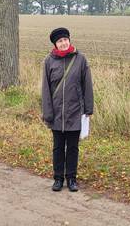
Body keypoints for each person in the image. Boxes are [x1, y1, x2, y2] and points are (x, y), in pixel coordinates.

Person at [41, 28, 93, 192]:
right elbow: (46, 90)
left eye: (65, 40)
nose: (63, 43)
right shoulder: (49, 61)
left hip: (75, 111)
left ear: (69, 40)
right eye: (60, 41)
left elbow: (87, 85)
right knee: (57, 147)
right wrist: (48, 113)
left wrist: (88, 108)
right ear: (55, 44)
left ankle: (71, 178)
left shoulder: (80, 59)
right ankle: (58, 178)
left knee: (72, 147)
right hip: (56, 113)